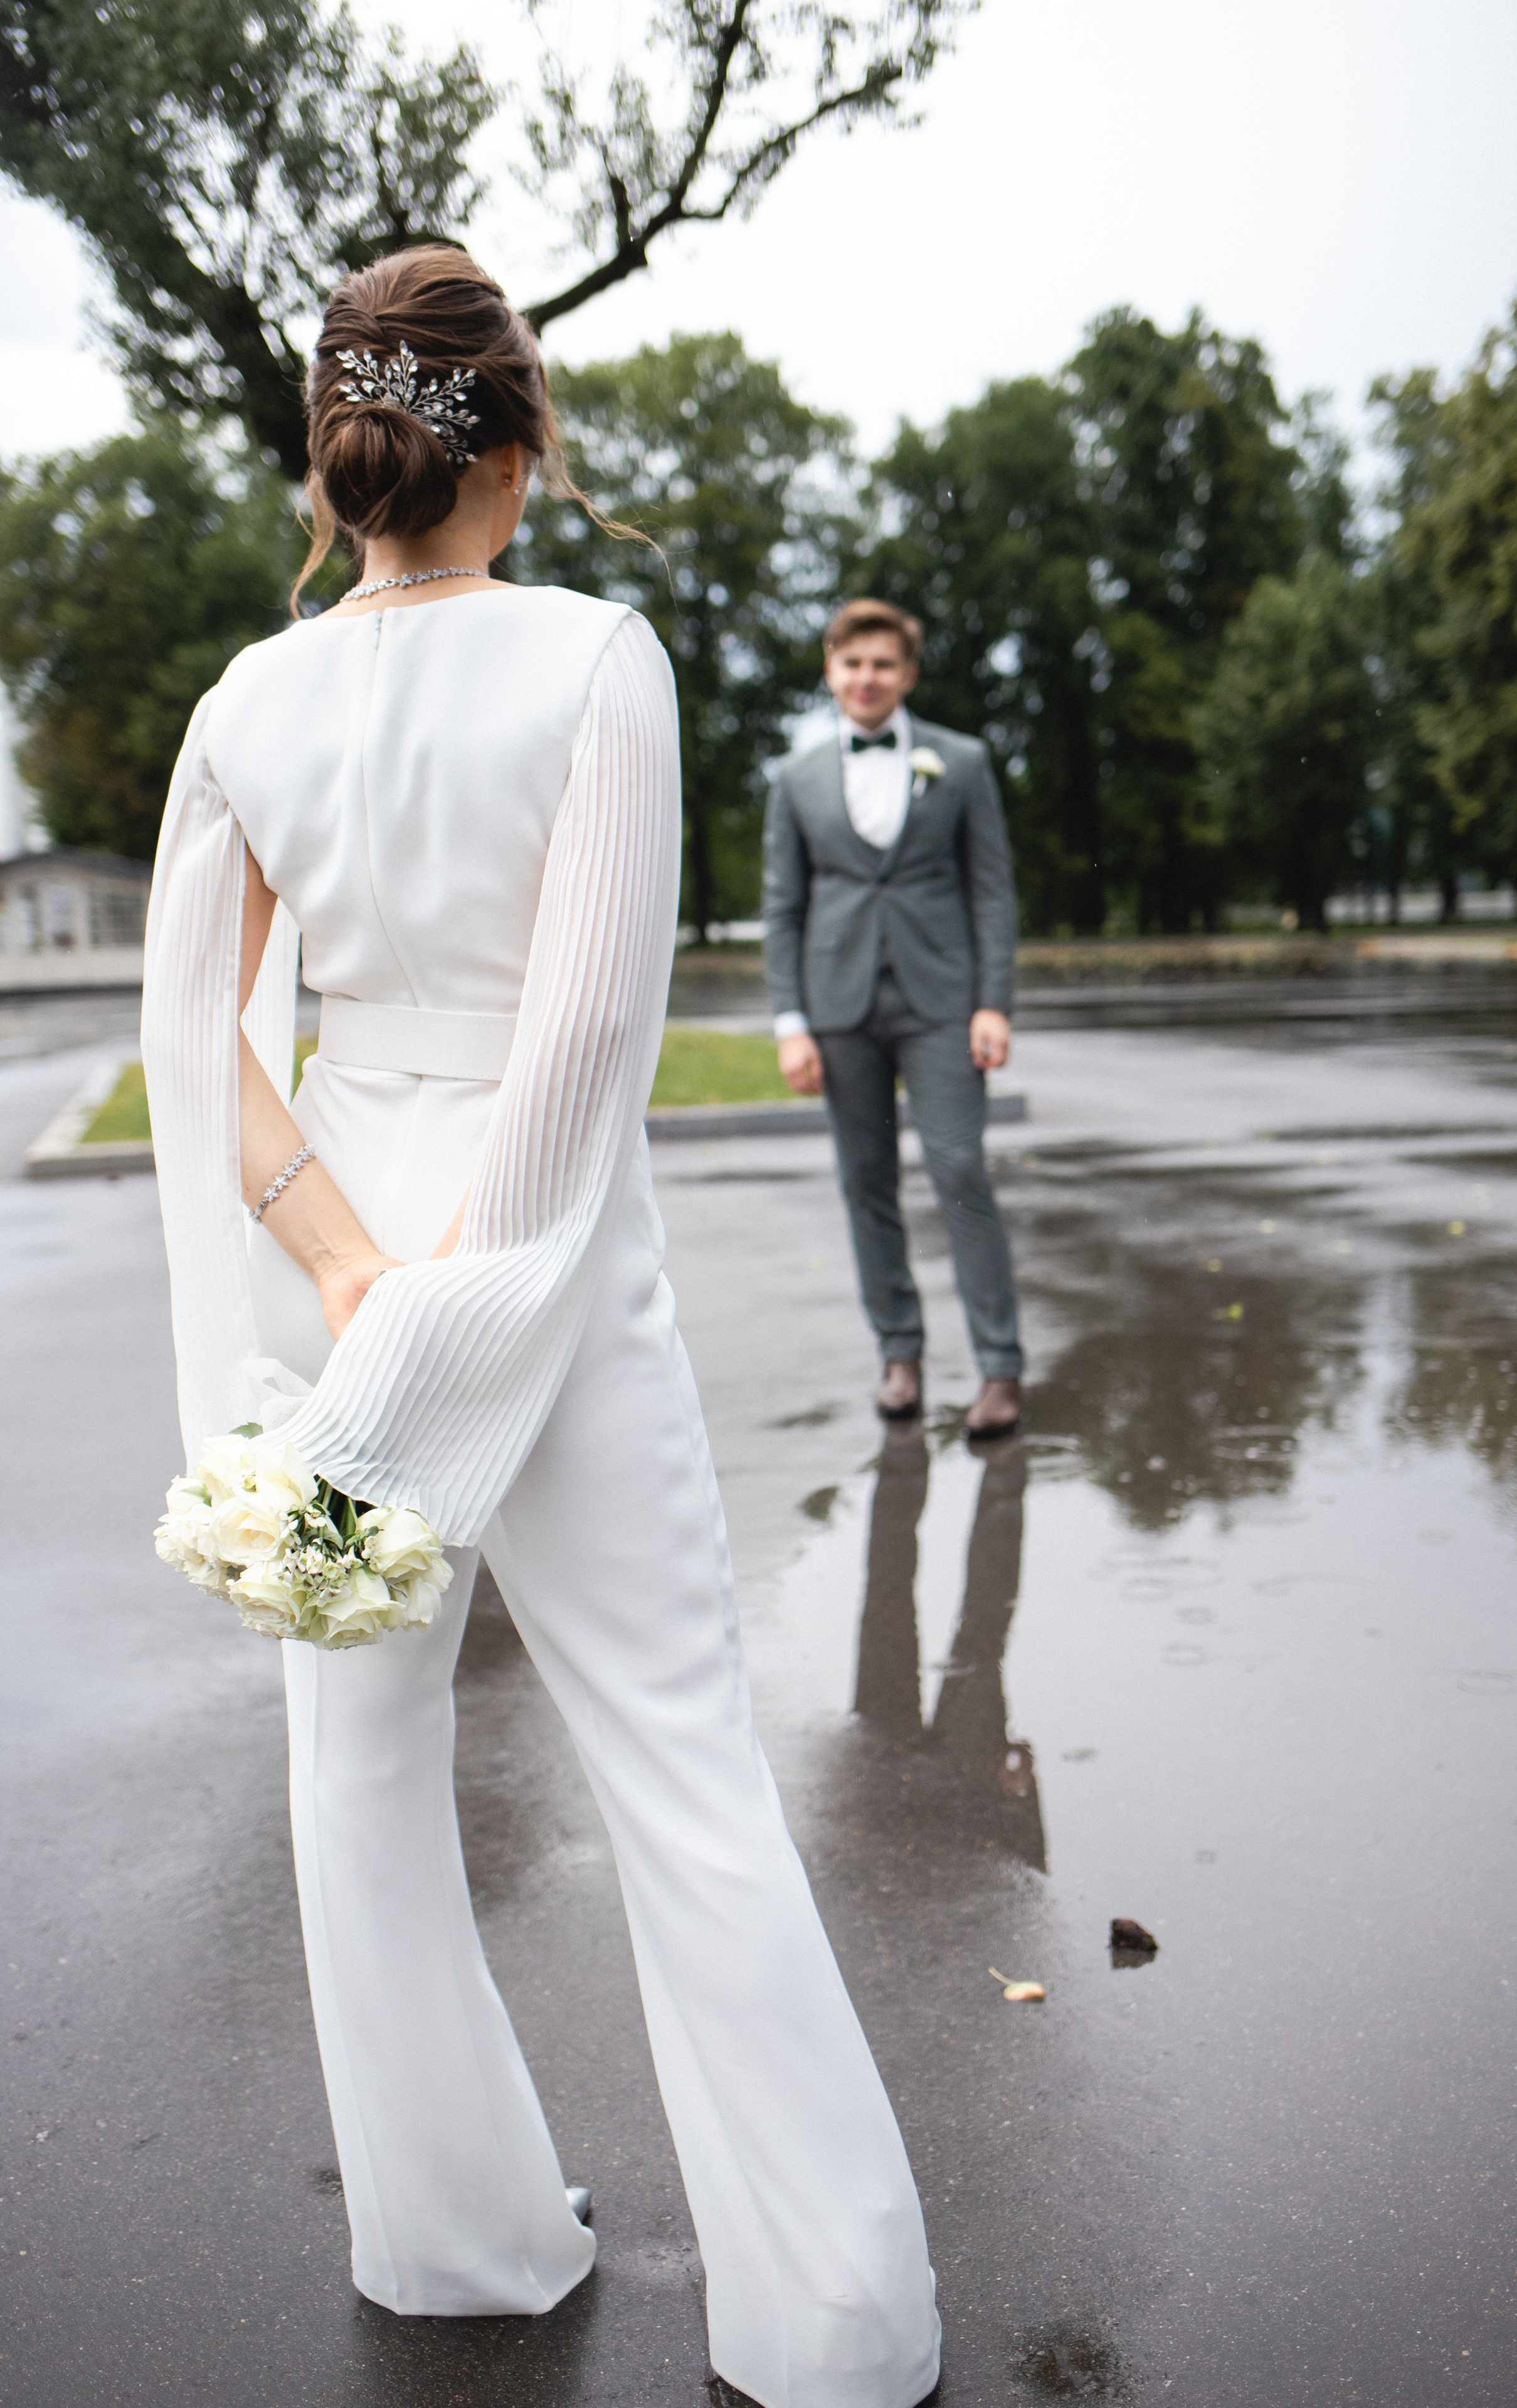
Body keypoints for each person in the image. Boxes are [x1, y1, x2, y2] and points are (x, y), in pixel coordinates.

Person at [140, 246, 941, 2408]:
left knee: (358, 1779)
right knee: (680, 1769)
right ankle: (837, 2326)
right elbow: (585, 1047)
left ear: (341, 463)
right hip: (551, 1283)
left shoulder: (245, 701)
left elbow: (197, 1036)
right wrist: (465, 1323)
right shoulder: (600, 663)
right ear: (519, 444)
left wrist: (341, 1284)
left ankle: (457, 2249)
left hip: (345, 1290)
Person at [762, 601, 1024, 1435]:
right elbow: (782, 907)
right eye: (851, 665)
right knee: (864, 1183)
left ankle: (999, 1369)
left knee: (959, 1173)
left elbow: (992, 890)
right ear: (831, 672)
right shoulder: (796, 778)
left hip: (944, 1003)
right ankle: (900, 1356)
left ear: (906, 674)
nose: (866, 678)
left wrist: (993, 1002)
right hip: (840, 1008)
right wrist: (790, 1022)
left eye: (882, 665)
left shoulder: (964, 761)